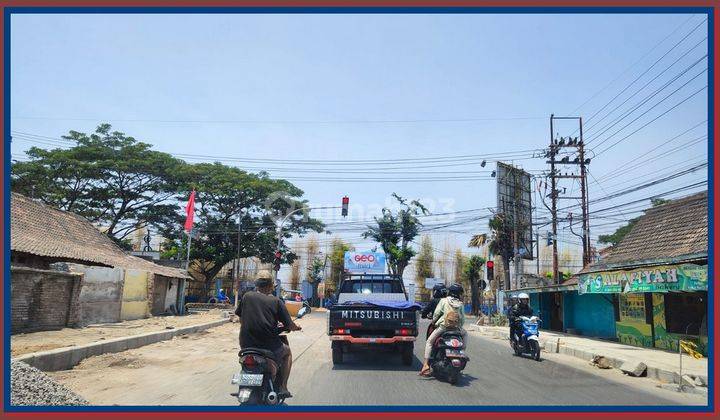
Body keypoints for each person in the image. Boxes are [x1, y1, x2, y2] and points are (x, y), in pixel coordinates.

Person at [235, 276, 301, 396]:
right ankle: (283, 387)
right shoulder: (276, 301)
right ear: (271, 287)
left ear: (257, 285)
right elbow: (290, 325)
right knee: (287, 352)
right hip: (268, 345)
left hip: (246, 344)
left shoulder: (247, 296)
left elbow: (240, 319)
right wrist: (296, 327)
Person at [419, 283, 467, 376]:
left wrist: (433, 322)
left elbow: (437, 313)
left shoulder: (444, 301)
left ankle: (425, 365)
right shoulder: (460, 304)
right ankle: (462, 352)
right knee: (465, 334)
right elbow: (462, 319)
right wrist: (459, 327)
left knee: (429, 342)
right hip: (456, 329)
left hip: (443, 328)